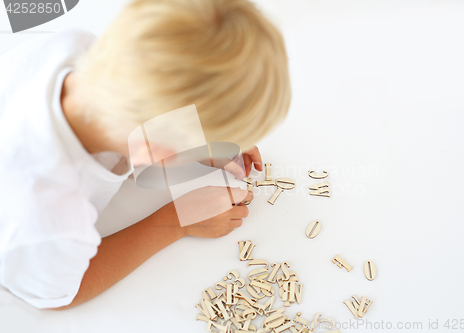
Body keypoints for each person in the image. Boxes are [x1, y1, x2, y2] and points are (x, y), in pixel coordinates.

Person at [0, 0, 290, 310]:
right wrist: (177, 221)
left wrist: (201, 137)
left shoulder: (73, 46)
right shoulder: (49, 214)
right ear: (157, 152)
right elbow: (59, 296)